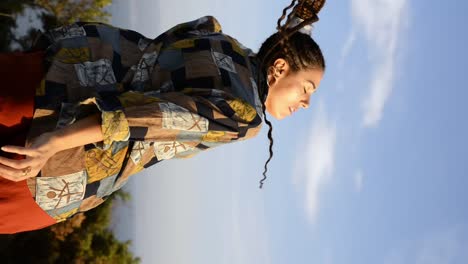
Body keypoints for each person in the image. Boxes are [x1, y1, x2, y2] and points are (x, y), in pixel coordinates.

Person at [0, 0, 326, 234]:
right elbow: (153, 117)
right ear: (280, 68)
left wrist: (306, 14)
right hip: (58, 163)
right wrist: (55, 141)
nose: (307, 102)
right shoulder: (243, 114)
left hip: (60, 72)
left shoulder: (225, 45)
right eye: (307, 89)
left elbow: (289, 42)